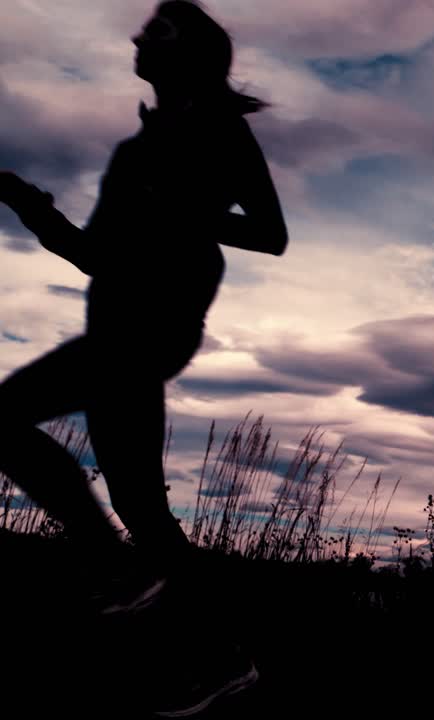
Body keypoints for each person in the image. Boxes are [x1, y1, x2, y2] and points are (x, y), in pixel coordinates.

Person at [0, 1, 286, 714]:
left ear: (192, 52)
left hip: (152, 331)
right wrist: (31, 208)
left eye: (155, 31)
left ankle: (108, 566)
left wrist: (185, 213)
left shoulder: (222, 131)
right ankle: (222, 661)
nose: (136, 37)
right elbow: (93, 255)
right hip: (114, 326)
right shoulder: (132, 155)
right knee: (144, 514)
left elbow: (272, 234)